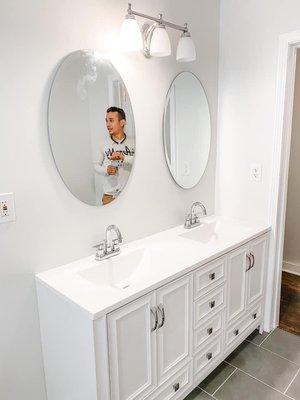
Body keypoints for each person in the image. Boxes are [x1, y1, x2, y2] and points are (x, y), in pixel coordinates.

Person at [94, 107, 135, 205]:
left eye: (111, 121)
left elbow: (142, 163)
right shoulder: (102, 143)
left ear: (122, 123)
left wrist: (124, 157)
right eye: (106, 121)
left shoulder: (134, 143)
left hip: (132, 194)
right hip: (109, 196)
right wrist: (106, 170)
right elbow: (94, 164)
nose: (108, 124)